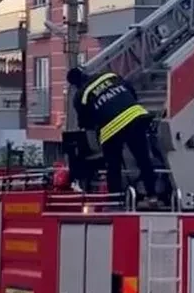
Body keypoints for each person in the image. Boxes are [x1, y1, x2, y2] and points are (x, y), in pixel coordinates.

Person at [67, 67, 159, 199]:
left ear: (74, 84)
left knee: (113, 166)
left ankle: (115, 199)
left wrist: (98, 121)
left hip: (111, 129)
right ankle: (152, 195)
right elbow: (131, 90)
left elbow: (85, 123)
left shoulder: (81, 96)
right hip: (135, 116)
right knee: (143, 159)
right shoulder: (108, 75)